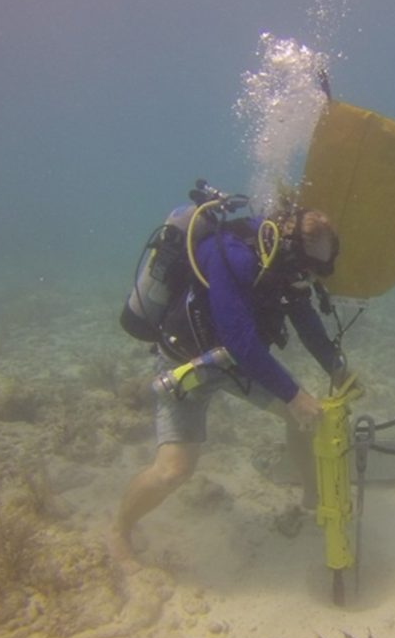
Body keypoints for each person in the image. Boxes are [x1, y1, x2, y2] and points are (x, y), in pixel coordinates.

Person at [111, 202, 353, 568]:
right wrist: (293, 394)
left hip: (236, 364)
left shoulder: (288, 269)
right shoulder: (229, 255)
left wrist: (338, 369)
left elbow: (306, 323)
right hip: (187, 364)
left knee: (303, 419)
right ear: (290, 249)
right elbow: (240, 340)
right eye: (310, 268)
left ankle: (311, 495)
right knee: (174, 469)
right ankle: (119, 529)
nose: (311, 278)